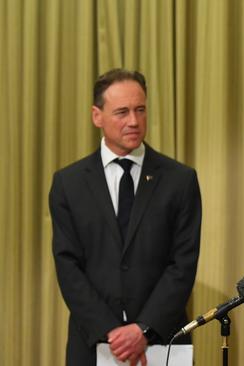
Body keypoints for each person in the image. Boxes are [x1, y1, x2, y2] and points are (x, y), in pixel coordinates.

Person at [50, 69, 202, 365]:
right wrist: (111, 330)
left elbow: (182, 264)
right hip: (93, 343)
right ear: (97, 116)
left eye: (140, 110)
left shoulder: (179, 180)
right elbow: (68, 266)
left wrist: (143, 329)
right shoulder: (68, 183)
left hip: (162, 342)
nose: (134, 121)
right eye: (122, 112)